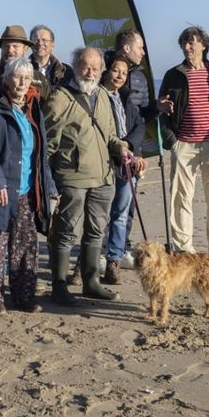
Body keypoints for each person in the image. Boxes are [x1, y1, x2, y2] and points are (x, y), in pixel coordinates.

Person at [44, 47, 144, 305]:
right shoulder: (60, 98)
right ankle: (59, 286)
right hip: (72, 178)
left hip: (103, 178)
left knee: (96, 232)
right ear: (75, 66)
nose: (90, 72)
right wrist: (49, 179)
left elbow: (110, 134)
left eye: (96, 68)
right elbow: (48, 144)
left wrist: (122, 147)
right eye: (86, 67)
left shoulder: (102, 95)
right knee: (65, 233)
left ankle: (91, 282)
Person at [0, 56, 54, 316]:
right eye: (17, 77)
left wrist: (50, 188)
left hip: (27, 191)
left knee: (26, 247)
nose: (21, 82)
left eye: (26, 78)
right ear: (7, 79)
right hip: (1, 190)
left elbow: (41, 156)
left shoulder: (33, 108)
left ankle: (24, 296)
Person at [156, 26, 209, 255]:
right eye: (184, 43)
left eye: (192, 42)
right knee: (181, 198)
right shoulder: (173, 75)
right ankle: (183, 250)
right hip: (184, 144)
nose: (188, 47)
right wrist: (171, 140)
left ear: (204, 45)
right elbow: (162, 108)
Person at [101, 53, 143, 284]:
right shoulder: (97, 95)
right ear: (107, 70)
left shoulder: (126, 98)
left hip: (125, 165)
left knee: (120, 214)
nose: (119, 76)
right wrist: (117, 147)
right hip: (103, 162)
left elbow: (139, 125)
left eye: (124, 73)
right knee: (98, 216)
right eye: (116, 70)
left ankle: (113, 261)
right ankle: (84, 263)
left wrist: (130, 147)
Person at [0, 25, 49, 100]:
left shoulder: (38, 77)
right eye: (6, 46)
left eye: (15, 46)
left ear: (26, 48)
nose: (10, 50)